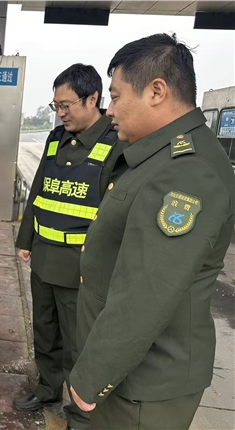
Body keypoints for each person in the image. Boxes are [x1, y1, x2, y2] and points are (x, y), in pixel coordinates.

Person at [69, 33, 235, 430]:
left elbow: (146, 292)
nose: (110, 110)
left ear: (156, 92)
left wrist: (91, 377)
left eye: (116, 96)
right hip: (129, 374)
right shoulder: (159, 154)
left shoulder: (187, 170)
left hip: (142, 385)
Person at [14, 64, 127, 430]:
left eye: (66, 106)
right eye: (56, 106)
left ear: (92, 99)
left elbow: (115, 216)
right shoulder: (55, 138)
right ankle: (48, 389)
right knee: (45, 331)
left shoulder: (115, 144)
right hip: (45, 256)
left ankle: (80, 413)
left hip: (81, 266)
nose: (61, 113)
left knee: (79, 343)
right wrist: (25, 239)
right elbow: (39, 191)